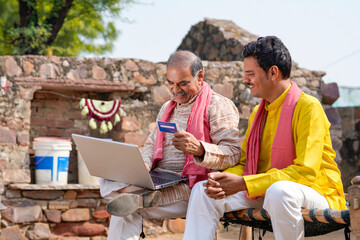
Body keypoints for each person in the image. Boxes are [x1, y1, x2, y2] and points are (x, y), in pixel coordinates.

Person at [183, 36, 347, 240]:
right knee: (203, 191)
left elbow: (306, 172)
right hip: (265, 191)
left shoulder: (308, 108)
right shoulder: (258, 113)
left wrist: (244, 183)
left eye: (250, 74)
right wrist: (221, 180)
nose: (245, 80)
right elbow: (246, 165)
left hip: (316, 192)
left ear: (273, 72)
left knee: (280, 192)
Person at [99, 50, 241, 240]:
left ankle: (139, 197)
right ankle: (137, 194)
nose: (175, 90)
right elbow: (151, 143)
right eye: (170, 83)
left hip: (190, 185)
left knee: (126, 208)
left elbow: (232, 153)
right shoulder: (167, 107)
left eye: (183, 83)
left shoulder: (218, 105)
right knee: (109, 181)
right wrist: (145, 164)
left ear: (200, 77)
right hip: (159, 177)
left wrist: (200, 149)